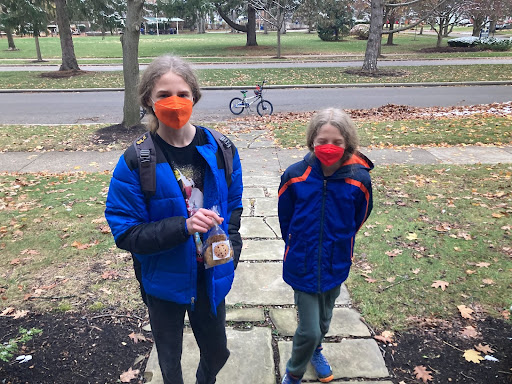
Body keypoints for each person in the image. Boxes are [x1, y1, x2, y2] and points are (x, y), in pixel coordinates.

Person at [104, 54, 243, 384]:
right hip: (163, 280)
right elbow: (125, 231)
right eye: (163, 95)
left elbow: (234, 206)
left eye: (182, 93)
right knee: (170, 360)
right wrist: (183, 227)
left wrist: (231, 250)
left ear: (194, 96)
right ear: (148, 102)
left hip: (210, 274)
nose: (175, 102)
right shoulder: (138, 159)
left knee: (217, 352)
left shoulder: (221, 147)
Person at [278, 108, 373, 384]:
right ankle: (294, 373)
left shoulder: (359, 179)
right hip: (302, 260)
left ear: (348, 144)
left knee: (323, 322)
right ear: (312, 141)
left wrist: (339, 241)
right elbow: (286, 218)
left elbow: (359, 217)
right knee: (308, 329)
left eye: (336, 142)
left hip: (336, 259)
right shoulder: (295, 175)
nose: (328, 147)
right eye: (322, 141)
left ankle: (315, 351)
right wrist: (298, 243)